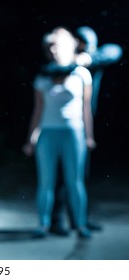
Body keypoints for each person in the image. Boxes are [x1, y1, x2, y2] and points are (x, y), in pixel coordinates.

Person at [41, 26, 123, 234]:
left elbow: (115, 51)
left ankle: (80, 219)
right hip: (64, 125)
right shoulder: (63, 64)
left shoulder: (90, 61)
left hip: (83, 122)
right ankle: (56, 220)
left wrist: (89, 58)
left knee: (79, 176)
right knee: (60, 178)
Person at [23, 27, 95, 238]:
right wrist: (31, 138)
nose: (54, 49)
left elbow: (86, 108)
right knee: (46, 182)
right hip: (48, 132)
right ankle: (43, 224)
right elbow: (37, 110)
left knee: (75, 181)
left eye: (58, 44)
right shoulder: (43, 75)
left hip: (73, 132)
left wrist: (89, 136)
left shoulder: (82, 73)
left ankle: (80, 225)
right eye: (50, 45)